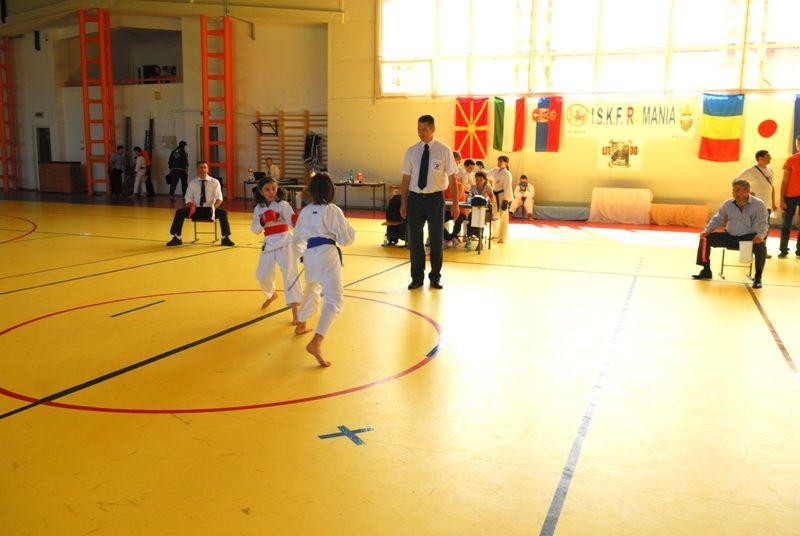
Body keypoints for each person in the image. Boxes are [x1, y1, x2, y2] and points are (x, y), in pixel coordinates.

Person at [292, 173, 356, 367]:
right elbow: (346, 238)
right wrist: (348, 228)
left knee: (312, 288)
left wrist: (300, 255)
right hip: (327, 254)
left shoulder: (305, 211)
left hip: (310, 255)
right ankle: (316, 342)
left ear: (310, 191)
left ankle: (301, 323)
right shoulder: (332, 210)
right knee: (334, 300)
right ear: (331, 191)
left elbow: (297, 239)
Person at [400, 114, 460, 290]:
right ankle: (417, 277)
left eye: (425, 129)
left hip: (435, 200)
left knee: (436, 239)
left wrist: (455, 203)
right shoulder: (411, 151)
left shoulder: (443, 150)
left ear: (433, 129)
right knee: (415, 240)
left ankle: (435, 277)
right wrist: (403, 202)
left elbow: (453, 179)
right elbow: (406, 179)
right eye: (418, 129)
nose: (421, 132)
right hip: (415, 199)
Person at [692, 178, 768, 289]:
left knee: (761, 245)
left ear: (747, 191)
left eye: (738, 190)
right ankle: (706, 270)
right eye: (733, 190)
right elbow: (717, 219)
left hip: (749, 238)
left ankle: (758, 277)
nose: (734, 193)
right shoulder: (728, 204)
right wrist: (706, 231)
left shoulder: (758, 204)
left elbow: (763, 223)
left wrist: (760, 236)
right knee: (705, 239)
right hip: (730, 236)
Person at [251, 176, 302, 323]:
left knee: (290, 275)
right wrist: (262, 220)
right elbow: (254, 229)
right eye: (267, 189)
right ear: (261, 191)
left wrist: (296, 220)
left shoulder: (283, 205)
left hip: (285, 241)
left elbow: (292, 223)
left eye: (273, 188)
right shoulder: (259, 208)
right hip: (269, 242)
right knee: (262, 275)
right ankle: (271, 294)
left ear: (277, 189)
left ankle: (296, 312)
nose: (271, 192)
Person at [166, 161, 235, 247]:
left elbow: (219, 198)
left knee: (223, 213)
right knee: (179, 212)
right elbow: (188, 198)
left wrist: (214, 207)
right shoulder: (192, 183)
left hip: (210, 210)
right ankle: (177, 237)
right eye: (200, 167)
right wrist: (191, 205)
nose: (203, 169)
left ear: (207, 169)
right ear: (197, 169)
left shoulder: (215, 182)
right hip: (196, 210)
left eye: (204, 167)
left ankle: (225, 238)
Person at [736, 150, 775, 257]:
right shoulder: (751, 171)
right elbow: (736, 182)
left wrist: (773, 202)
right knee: (749, 228)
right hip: (753, 205)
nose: (770, 158)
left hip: (767, 205)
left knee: (764, 228)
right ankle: (746, 251)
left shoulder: (770, 170)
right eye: (768, 156)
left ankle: (761, 251)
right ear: (760, 158)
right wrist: (747, 192)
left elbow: (771, 187)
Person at [778, 136, 800, 259]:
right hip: (790, 197)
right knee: (786, 225)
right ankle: (783, 250)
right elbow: (784, 181)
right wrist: (781, 199)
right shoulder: (791, 160)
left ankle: (799, 251)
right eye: (798, 144)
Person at [466, 171, 494, 251]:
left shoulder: (488, 187)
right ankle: (470, 237)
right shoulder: (473, 187)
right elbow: (468, 199)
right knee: (471, 217)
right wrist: (470, 198)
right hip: (475, 211)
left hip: (486, 212)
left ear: (485, 180)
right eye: (477, 179)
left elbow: (493, 200)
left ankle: (479, 242)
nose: (478, 181)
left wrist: (489, 199)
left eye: (481, 180)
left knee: (479, 220)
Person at [488, 155, 513, 243]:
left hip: (503, 195)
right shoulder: (495, 170)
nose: (499, 163)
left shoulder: (507, 174)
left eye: (501, 161)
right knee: (494, 215)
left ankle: (502, 236)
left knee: (503, 216)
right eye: (498, 161)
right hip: (494, 195)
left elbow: (508, 187)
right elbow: (487, 174)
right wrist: (481, 169)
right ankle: (495, 234)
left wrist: (506, 200)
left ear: (506, 163)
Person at [443, 176, 467, 247]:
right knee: (437, 221)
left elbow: (457, 198)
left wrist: (448, 200)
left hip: (460, 210)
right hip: (447, 210)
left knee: (457, 224)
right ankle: (451, 238)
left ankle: (450, 238)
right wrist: (450, 200)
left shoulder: (460, 185)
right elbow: (442, 199)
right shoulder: (444, 187)